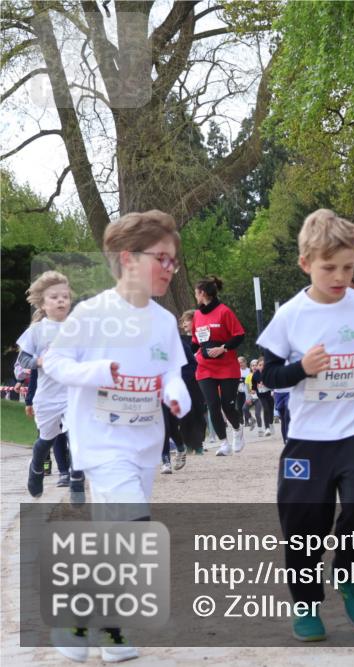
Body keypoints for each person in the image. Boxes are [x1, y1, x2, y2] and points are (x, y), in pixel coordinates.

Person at [45, 210, 191, 662]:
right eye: (162, 259)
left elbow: (172, 372)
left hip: (145, 443)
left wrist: (175, 394)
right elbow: (54, 362)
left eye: (173, 260)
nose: (171, 268)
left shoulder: (165, 322)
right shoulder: (92, 313)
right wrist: (95, 372)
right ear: (128, 258)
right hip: (102, 443)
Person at [258, 208, 354, 642]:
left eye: (348, 267)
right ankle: (306, 603)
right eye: (328, 268)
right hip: (306, 440)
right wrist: (301, 368)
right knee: (304, 525)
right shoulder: (291, 315)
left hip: (352, 432)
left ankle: (350, 577)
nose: (339, 277)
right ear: (305, 264)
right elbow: (268, 376)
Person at [16, 270, 85, 501]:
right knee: (46, 440)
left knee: (78, 436)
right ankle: (36, 469)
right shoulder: (37, 331)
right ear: (43, 304)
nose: (61, 301)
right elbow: (23, 360)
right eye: (54, 297)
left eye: (65, 296)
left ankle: (77, 480)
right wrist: (40, 361)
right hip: (47, 397)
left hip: (73, 395)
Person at [191, 275, 246, 455]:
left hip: (227, 366)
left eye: (196, 293)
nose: (195, 296)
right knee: (212, 404)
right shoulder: (197, 315)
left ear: (204, 293)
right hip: (205, 367)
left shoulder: (224, 311)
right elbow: (195, 341)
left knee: (227, 406)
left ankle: (237, 430)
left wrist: (223, 348)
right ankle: (224, 443)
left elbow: (239, 335)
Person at [177, 310, 207, 456]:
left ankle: (199, 443)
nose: (185, 324)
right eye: (183, 322)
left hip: (200, 379)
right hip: (185, 379)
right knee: (185, 413)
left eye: (187, 320)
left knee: (198, 411)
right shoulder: (181, 340)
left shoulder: (203, 338)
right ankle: (188, 443)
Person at [252, 356, 274, 437]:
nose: (262, 367)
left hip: (269, 393)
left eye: (264, 365)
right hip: (261, 395)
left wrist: (266, 383)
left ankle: (271, 423)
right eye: (260, 365)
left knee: (271, 408)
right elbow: (254, 383)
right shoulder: (255, 375)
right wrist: (253, 389)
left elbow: (273, 382)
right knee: (266, 409)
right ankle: (267, 428)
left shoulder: (269, 372)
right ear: (257, 366)